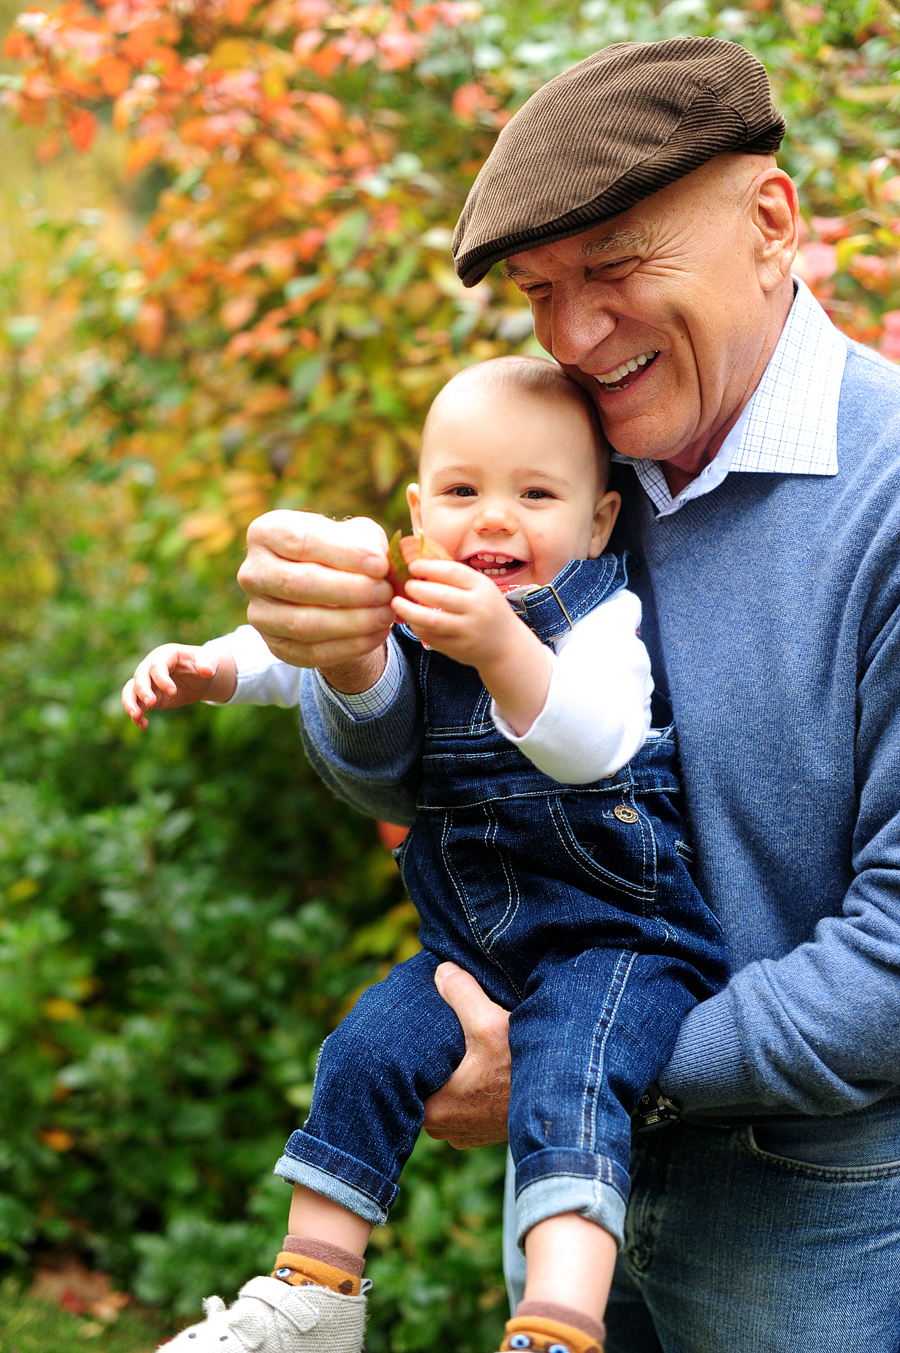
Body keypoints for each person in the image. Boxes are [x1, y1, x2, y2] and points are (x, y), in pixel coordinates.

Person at [226, 35, 900, 1353]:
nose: (577, 336)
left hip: (811, 1225)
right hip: (569, 1208)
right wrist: (346, 656)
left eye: (617, 267)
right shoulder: (571, 457)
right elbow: (406, 771)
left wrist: (570, 1058)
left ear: (772, 221)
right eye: (541, 288)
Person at [123, 356, 728, 1353]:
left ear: (598, 522)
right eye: (462, 492)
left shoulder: (598, 619)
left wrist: (501, 649)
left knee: (569, 1078)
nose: (493, 521)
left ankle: (560, 1324)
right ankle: (312, 1297)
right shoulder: (416, 603)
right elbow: (294, 652)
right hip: (479, 950)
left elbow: (593, 742)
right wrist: (212, 668)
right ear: (417, 509)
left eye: (536, 494)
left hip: (623, 943)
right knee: (365, 1050)